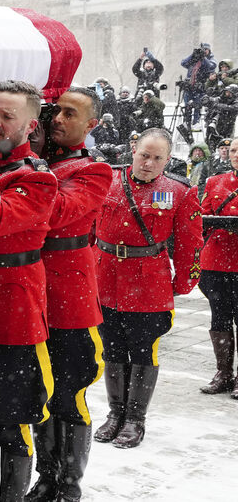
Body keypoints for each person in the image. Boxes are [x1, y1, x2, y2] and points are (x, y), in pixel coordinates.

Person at [0, 80, 59, 502]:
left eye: (7, 116)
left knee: (13, 419)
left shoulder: (37, 178)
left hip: (13, 317)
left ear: (31, 126)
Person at [28, 87, 114, 502]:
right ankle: (46, 476)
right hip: (32, 295)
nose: (58, 120)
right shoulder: (37, 162)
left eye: (70, 114)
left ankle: (68, 484)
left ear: (91, 125)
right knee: (38, 394)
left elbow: (53, 211)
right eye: (55, 112)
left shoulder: (95, 170)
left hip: (70, 300)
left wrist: (31, 163)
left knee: (68, 395)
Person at [93, 128, 203, 449]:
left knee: (143, 350)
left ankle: (135, 419)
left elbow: (190, 242)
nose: (148, 163)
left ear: (167, 160)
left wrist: (184, 282)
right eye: (144, 155)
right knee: (112, 348)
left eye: (157, 158)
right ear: (133, 150)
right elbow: (87, 228)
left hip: (148, 285)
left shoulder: (178, 192)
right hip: (105, 279)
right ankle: (115, 414)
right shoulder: (107, 180)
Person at [198, 143, 238, 398]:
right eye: (233, 150)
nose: (236, 155)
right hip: (216, 261)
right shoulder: (215, 182)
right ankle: (223, 374)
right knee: (219, 317)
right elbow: (201, 216)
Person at [182, 43, 217, 127]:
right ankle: (186, 124)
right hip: (189, 87)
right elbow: (183, 63)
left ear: (209, 50)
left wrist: (203, 58)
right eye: (203, 49)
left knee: (197, 106)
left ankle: (196, 123)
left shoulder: (211, 59)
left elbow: (211, 66)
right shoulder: (194, 59)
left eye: (206, 49)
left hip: (200, 88)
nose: (204, 51)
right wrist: (192, 55)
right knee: (187, 106)